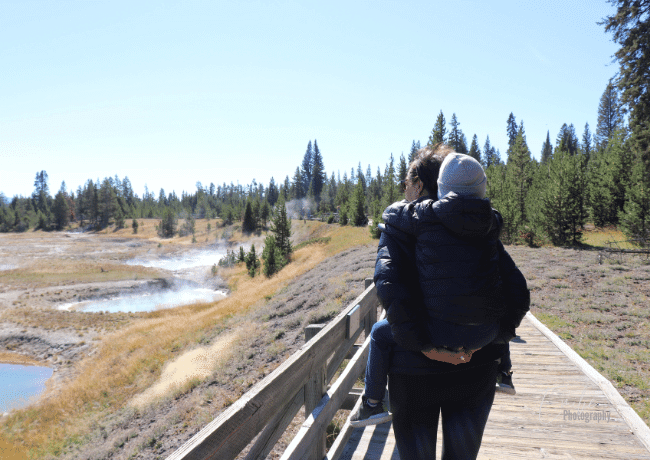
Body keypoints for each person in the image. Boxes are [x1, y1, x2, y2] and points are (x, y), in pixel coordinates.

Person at [366, 144, 529, 459]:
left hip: (412, 369)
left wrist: (425, 347)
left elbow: (390, 287)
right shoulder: (478, 226)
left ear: (421, 185)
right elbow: (514, 291)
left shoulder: (398, 226)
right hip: (476, 363)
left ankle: (370, 405)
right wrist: (496, 335)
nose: (404, 188)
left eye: (407, 182)